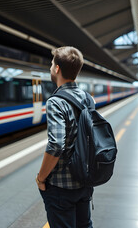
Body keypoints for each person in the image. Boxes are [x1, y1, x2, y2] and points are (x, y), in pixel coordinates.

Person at [36, 46, 94, 228]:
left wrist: (41, 178)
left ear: (57, 69)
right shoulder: (87, 98)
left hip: (62, 187)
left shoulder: (56, 102)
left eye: (52, 64)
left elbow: (56, 145)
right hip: (85, 181)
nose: (50, 68)